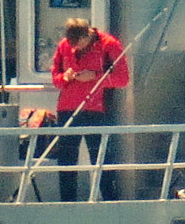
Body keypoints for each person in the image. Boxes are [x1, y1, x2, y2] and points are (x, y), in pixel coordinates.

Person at [45, 18, 131, 200]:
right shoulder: (64, 45)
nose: (76, 48)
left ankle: (110, 202)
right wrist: (65, 77)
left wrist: (95, 76)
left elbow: (123, 79)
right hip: (68, 108)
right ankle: (67, 205)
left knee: (101, 160)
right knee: (66, 162)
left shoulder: (110, 45)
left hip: (97, 109)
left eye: (80, 44)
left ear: (88, 34)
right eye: (72, 45)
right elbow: (55, 78)